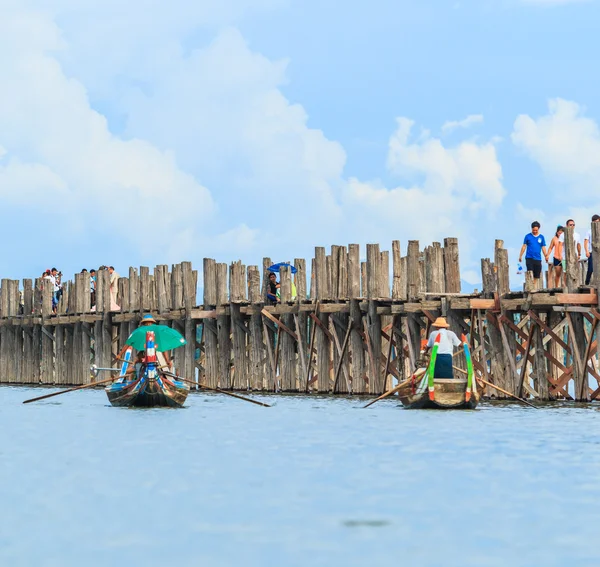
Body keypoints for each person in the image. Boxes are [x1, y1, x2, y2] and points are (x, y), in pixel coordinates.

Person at [584, 214, 600, 285]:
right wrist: (587, 251)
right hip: (592, 252)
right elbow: (586, 242)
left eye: (597, 222)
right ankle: (587, 282)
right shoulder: (589, 231)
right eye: (595, 222)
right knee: (590, 269)